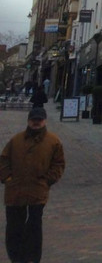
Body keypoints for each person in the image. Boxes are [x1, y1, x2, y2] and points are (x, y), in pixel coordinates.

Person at [0, 107, 65, 263]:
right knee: (14, 226)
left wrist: (48, 180)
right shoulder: (16, 140)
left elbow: (58, 164)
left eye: (39, 120)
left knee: (34, 225)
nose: (36, 123)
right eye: (33, 120)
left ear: (44, 121)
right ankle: (16, 258)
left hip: (38, 190)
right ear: (28, 120)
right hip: (15, 190)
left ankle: (33, 258)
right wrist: (7, 178)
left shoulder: (53, 141)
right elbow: (4, 160)